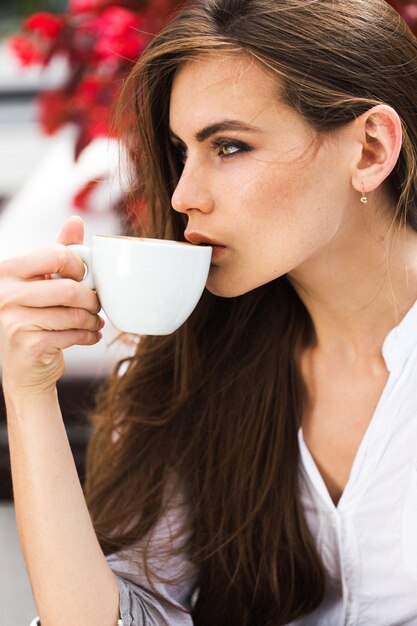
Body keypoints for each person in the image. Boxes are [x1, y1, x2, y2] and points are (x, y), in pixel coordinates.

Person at [2, 0, 417, 624]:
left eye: (228, 146)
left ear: (368, 148)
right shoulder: (194, 362)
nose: (183, 196)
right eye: (180, 151)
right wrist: (28, 394)